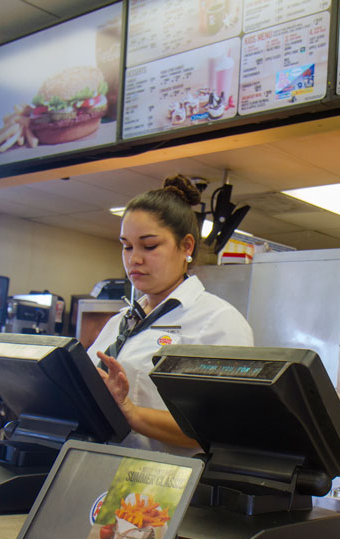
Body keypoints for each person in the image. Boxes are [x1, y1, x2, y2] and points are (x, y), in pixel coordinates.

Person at [88, 175, 254, 454]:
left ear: (186, 247)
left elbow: (225, 429)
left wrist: (129, 411)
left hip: (169, 487)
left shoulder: (220, 322)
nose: (134, 259)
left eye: (149, 246)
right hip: (103, 470)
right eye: (127, 246)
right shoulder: (120, 321)